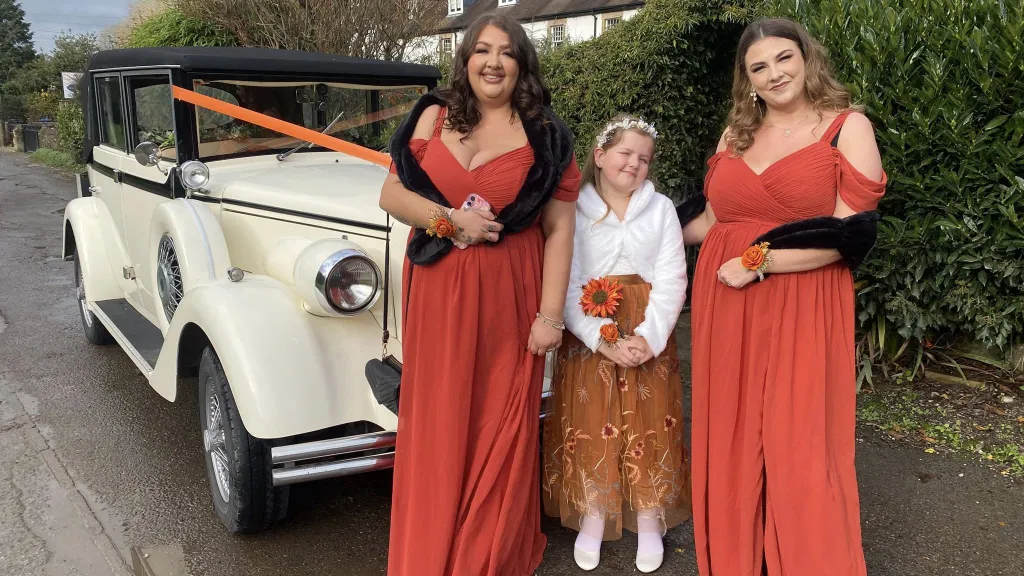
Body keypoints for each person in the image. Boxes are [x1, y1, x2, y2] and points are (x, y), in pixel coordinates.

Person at [679, 17, 887, 575]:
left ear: (806, 58)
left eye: (783, 59)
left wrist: (758, 261)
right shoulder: (735, 136)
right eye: (759, 67)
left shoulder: (847, 127)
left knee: (799, 439)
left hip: (803, 299)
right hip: (725, 302)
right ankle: (741, 558)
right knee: (734, 432)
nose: (775, 74)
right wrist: (627, 230)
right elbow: (709, 220)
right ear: (747, 80)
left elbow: (850, 237)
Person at [378, 13, 581, 576]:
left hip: (508, 291)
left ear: (523, 64)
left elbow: (560, 228)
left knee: (497, 418)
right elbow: (391, 193)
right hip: (438, 286)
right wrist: (448, 222)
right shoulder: (433, 114)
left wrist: (550, 316)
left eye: (507, 52)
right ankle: (432, 545)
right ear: (465, 59)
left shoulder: (546, 133)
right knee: (439, 416)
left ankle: (482, 554)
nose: (494, 62)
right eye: (482, 50)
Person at [542, 115, 690, 573]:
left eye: (644, 159)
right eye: (626, 153)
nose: (634, 164)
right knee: (593, 417)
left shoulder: (661, 209)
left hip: (647, 329)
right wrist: (599, 338)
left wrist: (649, 336)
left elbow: (672, 277)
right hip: (592, 332)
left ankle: (649, 516)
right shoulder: (573, 210)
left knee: (650, 419)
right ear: (601, 156)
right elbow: (567, 280)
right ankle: (593, 510)